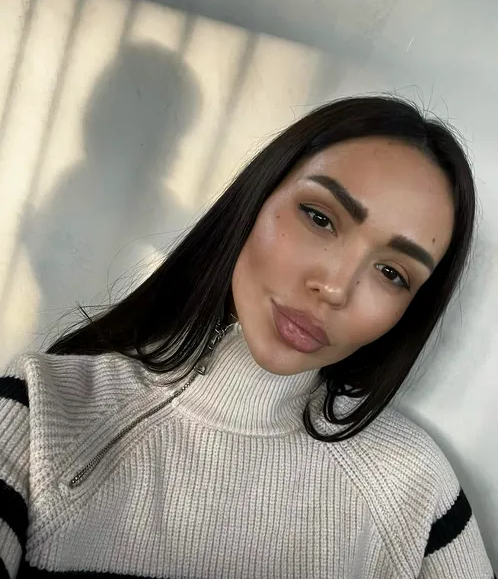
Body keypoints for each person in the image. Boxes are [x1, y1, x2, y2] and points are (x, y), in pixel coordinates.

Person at [0, 96, 494, 578]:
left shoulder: (412, 483)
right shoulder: (41, 410)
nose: (335, 288)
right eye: (320, 218)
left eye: (392, 273)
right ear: (257, 198)